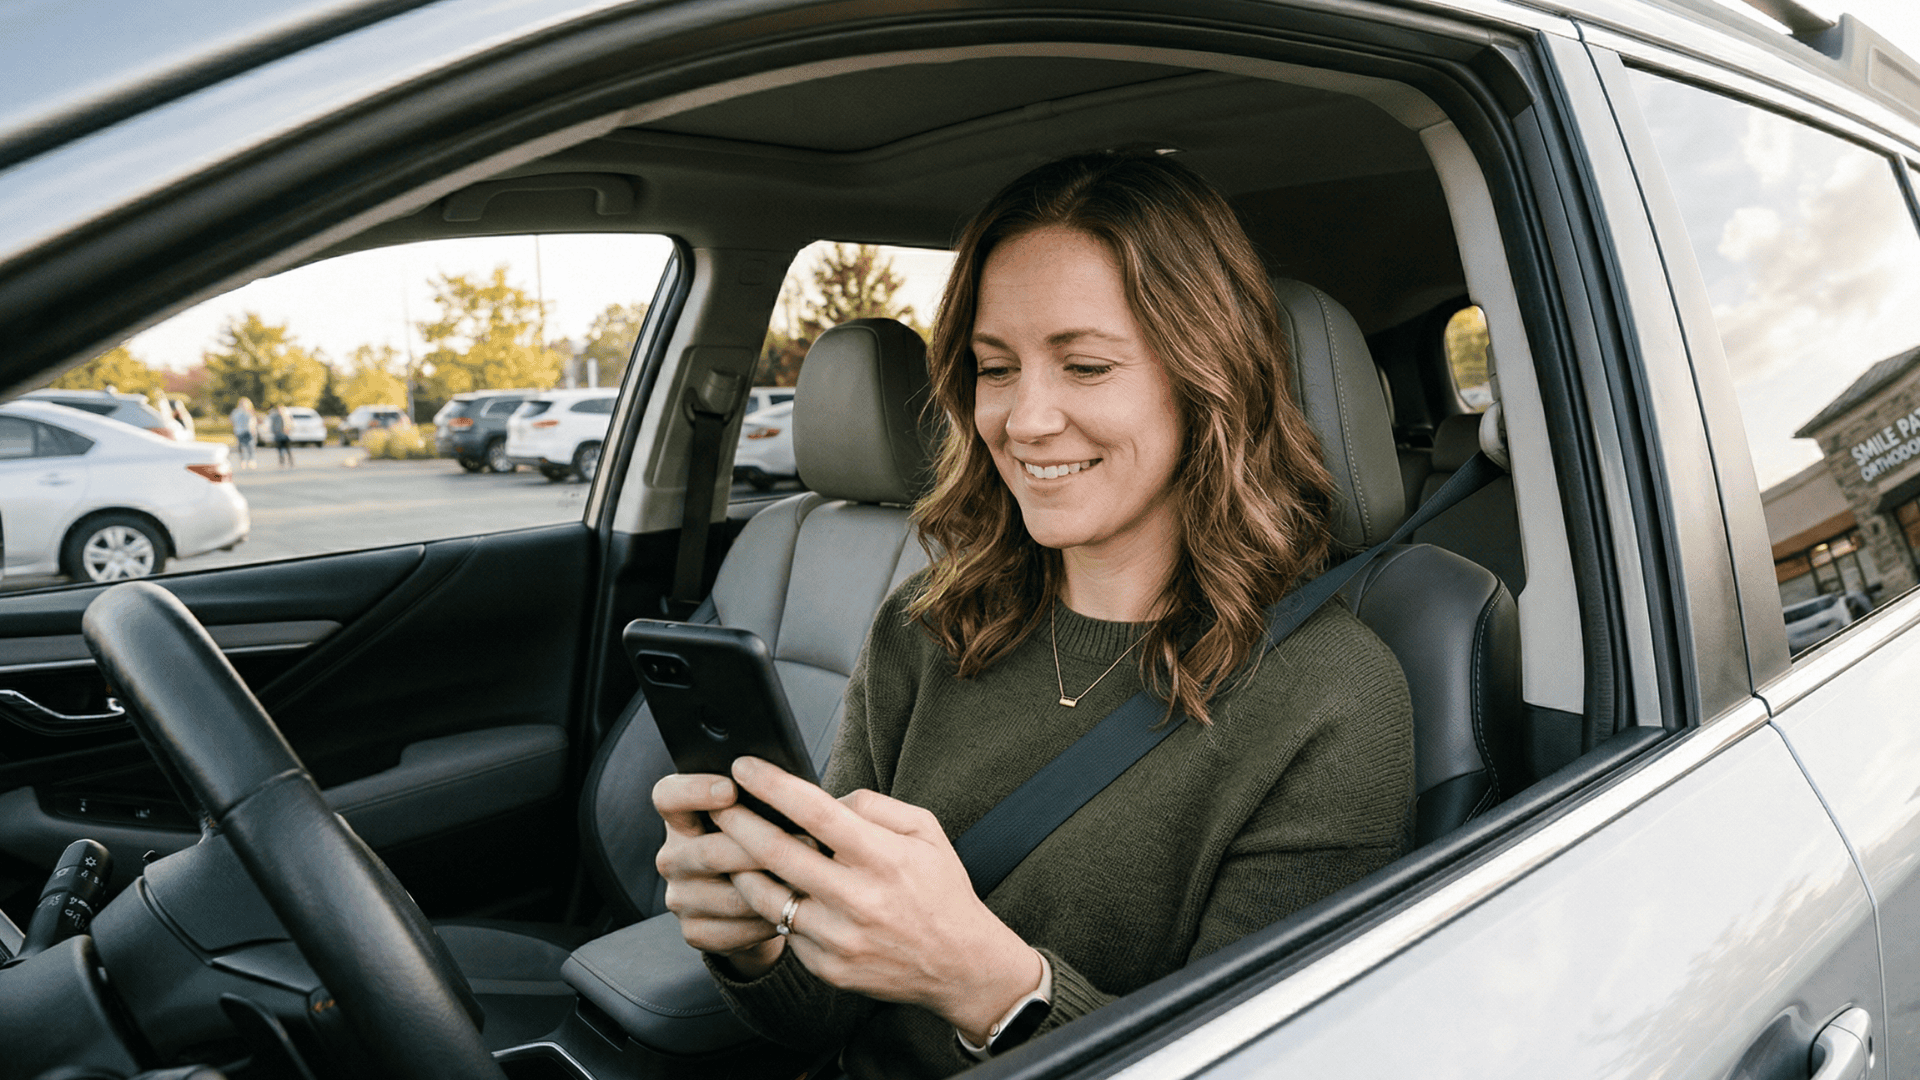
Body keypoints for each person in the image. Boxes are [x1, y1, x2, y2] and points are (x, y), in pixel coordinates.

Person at [653, 152, 1414, 1078]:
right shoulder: (925, 626)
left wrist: (992, 989)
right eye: (996, 368)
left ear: (1208, 379)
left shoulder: (1335, 698)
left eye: (1086, 366)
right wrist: (757, 941)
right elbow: (829, 1014)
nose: (1024, 419)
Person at [230, 397, 257, 469]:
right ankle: (244, 460)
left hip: (247, 431)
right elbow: (232, 420)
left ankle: (251, 460)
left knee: (250, 446)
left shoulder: (248, 411)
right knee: (243, 446)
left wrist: (253, 429)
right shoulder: (237, 412)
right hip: (240, 431)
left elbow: (253, 421)